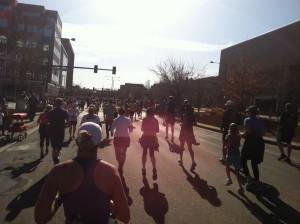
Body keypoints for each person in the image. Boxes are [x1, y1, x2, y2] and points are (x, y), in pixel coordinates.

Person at [34, 122, 130, 224]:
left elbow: (40, 218)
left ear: (77, 141)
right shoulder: (110, 171)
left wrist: (58, 199)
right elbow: (125, 217)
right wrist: (110, 204)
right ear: (100, 143)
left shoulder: (58, 171)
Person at [240, 106, 265, 190]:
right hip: (259, 142)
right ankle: (257, 183)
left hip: (250, 142)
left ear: (250, 112)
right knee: (254, 163)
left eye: (248, 112)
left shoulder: (247, 120)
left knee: (243, 159)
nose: (247, 113)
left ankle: (249, 179)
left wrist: (240, 134)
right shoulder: (259, 121)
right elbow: (262, 133)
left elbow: (248, 132)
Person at [110, 108, 133, 174]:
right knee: (123, 153)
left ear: (118, 112)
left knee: (117, 153)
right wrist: (128, 131)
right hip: (125, 137)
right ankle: (121, 165)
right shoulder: (128, 119)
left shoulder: (115, 120)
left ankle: (119, 162)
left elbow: (111, 129)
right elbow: (131, 129)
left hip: (117, 137)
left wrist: (113, 132)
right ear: (124, 112)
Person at [139, 107, 159, 180]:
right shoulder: (156, 120)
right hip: (153, 138)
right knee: (152, 154)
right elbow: (157, 130)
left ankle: (144, 168)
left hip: (145, 137)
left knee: (144, 153)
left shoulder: (144, 119)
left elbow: (142, 129)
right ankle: (154, 168)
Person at [47, 98, 69, 164]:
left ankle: (54, 161)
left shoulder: (51, 112)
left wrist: (50, 125)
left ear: (55, 103)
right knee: (59, 147)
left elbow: (47, 122)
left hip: (53, 131)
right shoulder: (65, 112)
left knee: (54, 148)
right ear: (61, 103)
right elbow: (68, 122)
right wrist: (64, 125)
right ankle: (57, 158)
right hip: (61, 131)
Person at [224, 123, 244, 194]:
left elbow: (229, 144)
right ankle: (240, 186)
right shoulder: (238, 137)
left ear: (230, 129)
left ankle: (229, 179)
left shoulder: (228, 136)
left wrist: (226, 147)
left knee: (227, 166)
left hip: (230, 154)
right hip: (237, 155)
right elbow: (238, 145)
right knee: (237, 171)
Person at [178, 103, 197, 171]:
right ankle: (193, 161)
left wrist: (181, 124)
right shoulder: (192, 115)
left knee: (181, 146)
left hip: (184, 132)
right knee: (190, 148)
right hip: (190, 132)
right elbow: (195, 123)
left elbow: (184, 123)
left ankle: (181, 160)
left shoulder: (184, 115)